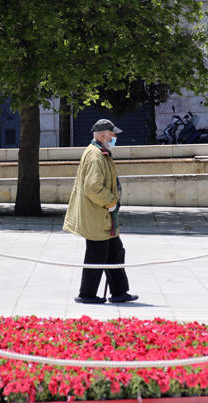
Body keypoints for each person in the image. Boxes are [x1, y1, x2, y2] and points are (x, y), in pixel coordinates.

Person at [63, 119, 139, 304]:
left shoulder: (101, 153)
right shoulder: (95, 155)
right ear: (103, 134)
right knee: (97, 254)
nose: (114, 138)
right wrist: (111, 202)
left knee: (114, 251)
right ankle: (87, 294)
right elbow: (93, 187)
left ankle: (119, 292)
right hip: (98, 215)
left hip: (104, 215)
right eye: (112, 134)